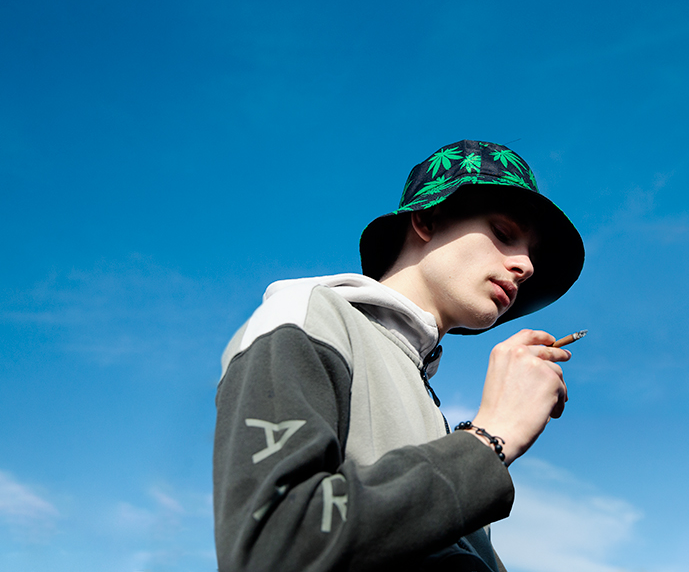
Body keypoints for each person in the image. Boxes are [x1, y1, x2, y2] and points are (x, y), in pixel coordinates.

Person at [213, 140, 585, 571]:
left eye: (531, 254)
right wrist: (491, 439)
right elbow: (272, 548)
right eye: (503, 234)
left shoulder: (425, 399)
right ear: (426, 219)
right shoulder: (308, 317)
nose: (526, 266)